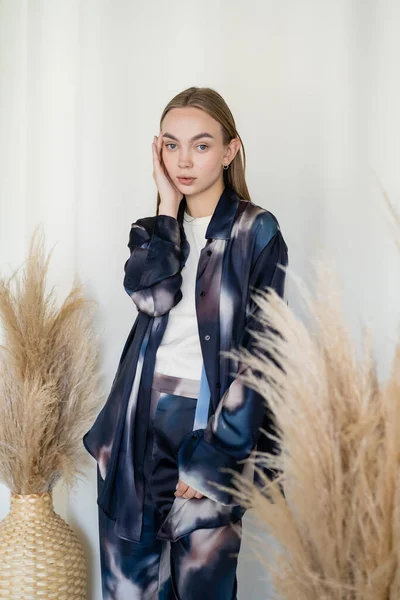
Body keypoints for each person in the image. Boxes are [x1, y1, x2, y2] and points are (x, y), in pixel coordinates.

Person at [83, 86, 289, 600]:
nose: (184, 159)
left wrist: (214, 456)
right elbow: (151, 300)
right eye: (171, 146)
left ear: (230, 150)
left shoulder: (255, 231)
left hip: (210, 423)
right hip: (138, 421)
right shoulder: (155, 232)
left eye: (201, 145)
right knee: (130, 580)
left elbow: (263, 356)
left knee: (203, 583)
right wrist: (167, 205)